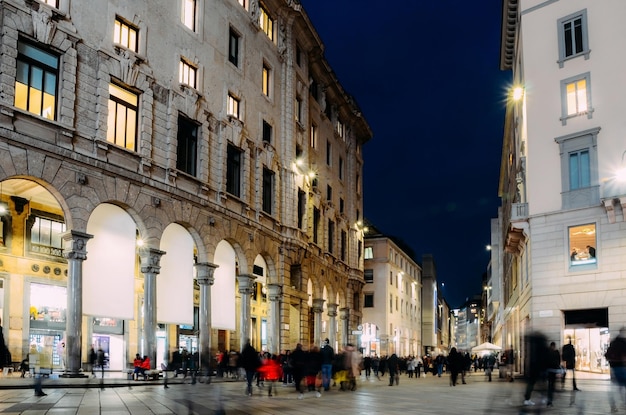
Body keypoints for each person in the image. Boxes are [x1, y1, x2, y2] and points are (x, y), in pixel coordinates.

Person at [523, 331, 548, 406]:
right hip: (536, 368)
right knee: (534, 383)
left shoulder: (532, 345)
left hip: (534, 367)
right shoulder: (538, 346)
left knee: (534, 383)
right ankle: (527, 399)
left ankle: (528, 398)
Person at [605, 327, 626, 413]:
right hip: (622, 367)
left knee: (617, 386)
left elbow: (607, 354)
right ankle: (620, 403)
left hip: (614, 367)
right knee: (621, 386)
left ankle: (613, 402)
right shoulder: (623, 342)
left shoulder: (614, 342)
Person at [546, 341, 561, 407]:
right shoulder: (556, 352)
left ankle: (549, 400)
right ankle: (550, 400)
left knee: (550, 384)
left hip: (550, 370)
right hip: (553, 370)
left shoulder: (548, 352)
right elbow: (559, 361)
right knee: (551, 385)